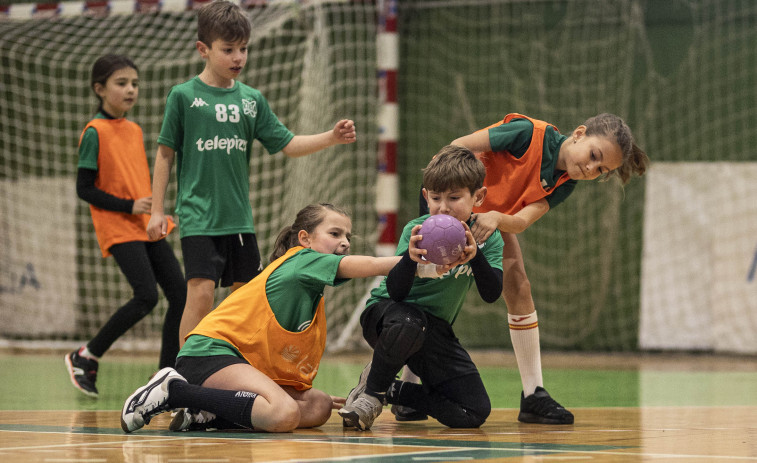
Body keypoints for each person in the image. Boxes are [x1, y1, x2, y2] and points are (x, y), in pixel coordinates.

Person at [397, 112, 649, 425]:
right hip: (452, 203)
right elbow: (458, 146)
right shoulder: (527, 134)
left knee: (519, 286)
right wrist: (457, 206)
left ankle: (534, 395)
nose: (591, 168)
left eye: (601, 169)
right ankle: (409, 383)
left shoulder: (564, 183)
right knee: (437, 289)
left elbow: (520, 221)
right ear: (580, 134)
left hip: (490, 219)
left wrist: (494, 218)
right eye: (594, 156)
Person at [146, 0, 357, 346]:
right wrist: (157, 210)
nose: (238, 57)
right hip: (199, 217)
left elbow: (287, 144)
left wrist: (331, 137)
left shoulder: (251, 100)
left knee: (245, 300)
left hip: (239, 220)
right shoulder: (183, 97)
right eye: (228, 49)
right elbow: (165, 154)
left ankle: (231, 367)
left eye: (243, 49)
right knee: (201, 295)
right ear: (203, 49)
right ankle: (184, 377)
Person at [121, 203, 404, 433]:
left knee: (318, 405)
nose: (344, 243)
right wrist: (415, 261)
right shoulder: (301, 260)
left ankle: (205, 414)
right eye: (335, 234)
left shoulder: (312, 291)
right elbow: (372, 264)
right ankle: (173, 391)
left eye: (347, 237)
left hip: (237, 362)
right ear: (305, 239)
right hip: (208, 355)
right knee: (284, 413)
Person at [338, 145, 505, 430]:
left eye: (454, 198)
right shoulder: (416, 231)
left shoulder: (487, 238)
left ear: (478, 197)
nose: (443, 207)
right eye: (436, 198)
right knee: (409, 322)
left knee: (473, 411)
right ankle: (372, 396)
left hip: (433, 331)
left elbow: (492, 294)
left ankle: (395, 390)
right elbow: (396, 292)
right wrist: (411, 260)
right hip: (386, 317)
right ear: (425, 196)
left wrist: (476, 257)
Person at [65, 54, 186, 398]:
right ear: (99, 89)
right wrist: (128, 205)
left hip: (146, 224)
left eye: (134, 83)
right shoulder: (94, 132)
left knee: (179, 293)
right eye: (121, 83)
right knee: (146, 295)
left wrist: (154, 210)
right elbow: (84, 188)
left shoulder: (133, 129)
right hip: (118, 225)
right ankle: (86, 355)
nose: (131, 89)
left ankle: (165, 373)